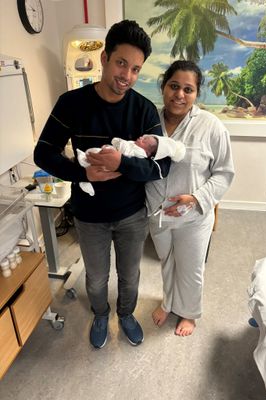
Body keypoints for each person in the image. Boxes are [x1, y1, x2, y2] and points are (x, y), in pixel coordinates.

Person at [34, 20, 171, 349]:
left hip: (131, 214)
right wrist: (84, 174)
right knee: (96, 278)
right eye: (122, 63)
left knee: (130, 274)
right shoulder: (71, 103)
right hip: (89, 215)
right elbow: (43, 153)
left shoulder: (143, 109)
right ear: (104, 58)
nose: (127, 75)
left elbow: (162, 164)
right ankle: (99, 313)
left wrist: (121, 162)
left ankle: (125, 314)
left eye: (136, 69)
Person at [146, 60, 235, 337]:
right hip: (157, 212)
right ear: (163, 86)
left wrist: (196, 199)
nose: (179, 95)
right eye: (174, 86)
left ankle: (189, 313)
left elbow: (224, 173)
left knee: (191, 267)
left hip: (193, 216)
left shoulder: (211, 126)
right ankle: (169, 303)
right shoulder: (149, 121)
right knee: (167, 261)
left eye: (188, 89)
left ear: (196, 94)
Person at [76, 135, 185, 195]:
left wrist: (118, 145)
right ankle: (84, 164)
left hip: (111, 163)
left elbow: (125, 151)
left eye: (144, 140)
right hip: (110, 157)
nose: (141, 137)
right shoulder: (136, 145)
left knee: (94, 157)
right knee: (94, 155)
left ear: (147, 153)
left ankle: (84, 165)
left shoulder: (140, 153)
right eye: (144, 137)